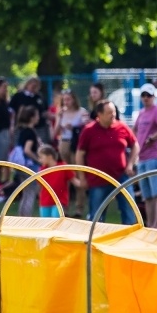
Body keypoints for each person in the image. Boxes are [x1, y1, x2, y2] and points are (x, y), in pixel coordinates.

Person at [75, 100, 139, 225]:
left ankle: (130, 240)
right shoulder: (89, 130)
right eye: (109, 112)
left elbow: (135, 145)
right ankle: (95, 241)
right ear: (99, 114)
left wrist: (130, 163)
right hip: (98, 179)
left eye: (114, 111)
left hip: (122, 177)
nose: (113, 115)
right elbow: (80, 154)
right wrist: (82, 177)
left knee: (130, 211)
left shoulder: (122, 127)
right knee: (97, 217)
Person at [133, 84, 157, 228]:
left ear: (154, 96)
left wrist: (153, 137)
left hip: (154, 157)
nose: (145, 98)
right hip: (142, 158)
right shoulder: (142, 113)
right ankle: (150, 225)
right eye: (143, 95)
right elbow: (134, 129)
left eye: (148, 95)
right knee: (147, 195)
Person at [55, 89, 88, 217]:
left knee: (78, 175)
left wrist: (75, 126)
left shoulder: (81, 112)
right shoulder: (61, 113)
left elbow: (86, 128)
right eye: (64, 99)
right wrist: (59, 118)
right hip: (63, 143)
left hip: (76, 145)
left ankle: (79, 208)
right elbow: (55, 133)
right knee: (64, 177)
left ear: (74, 99)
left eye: (68, 99)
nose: (66, 102)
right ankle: (64, 208)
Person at [37, 144, 80, 218]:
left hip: (59, 201)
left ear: (49, 156)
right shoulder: (42, 170)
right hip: (45, 201)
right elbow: (40, 186)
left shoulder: (63, 167)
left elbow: (74, 181)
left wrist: (86, 184)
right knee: (45, 225)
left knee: (56, 221)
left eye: (41, 157)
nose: (39, 160)